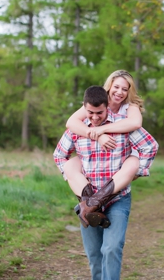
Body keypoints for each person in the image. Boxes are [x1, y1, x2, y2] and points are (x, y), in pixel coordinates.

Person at [53, 85, 158, 280]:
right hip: (87, 200)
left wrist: (137, 171)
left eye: (99, 113)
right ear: (85, 108)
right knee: (94, 254)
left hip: (118, 199)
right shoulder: (78, 129)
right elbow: (59, 155)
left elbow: (150, 146)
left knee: (111, 249)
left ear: (105, 108)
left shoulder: (122, 126)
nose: (94, 117)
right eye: (90, 113)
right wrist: (69, 172)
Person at [61, 70, 148, 223]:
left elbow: (135, 123)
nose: (119, 92)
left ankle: (89, 206)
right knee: (70, 165)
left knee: (133, 162)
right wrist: (96, 135)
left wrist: (103, 129)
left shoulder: (130, 107)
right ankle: (90, 206)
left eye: (125, 89)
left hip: (121, 156)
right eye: (116, 87)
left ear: (129, 92)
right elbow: (71, 122)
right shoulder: (97, 101)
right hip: (95, 151)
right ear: (109, 86)